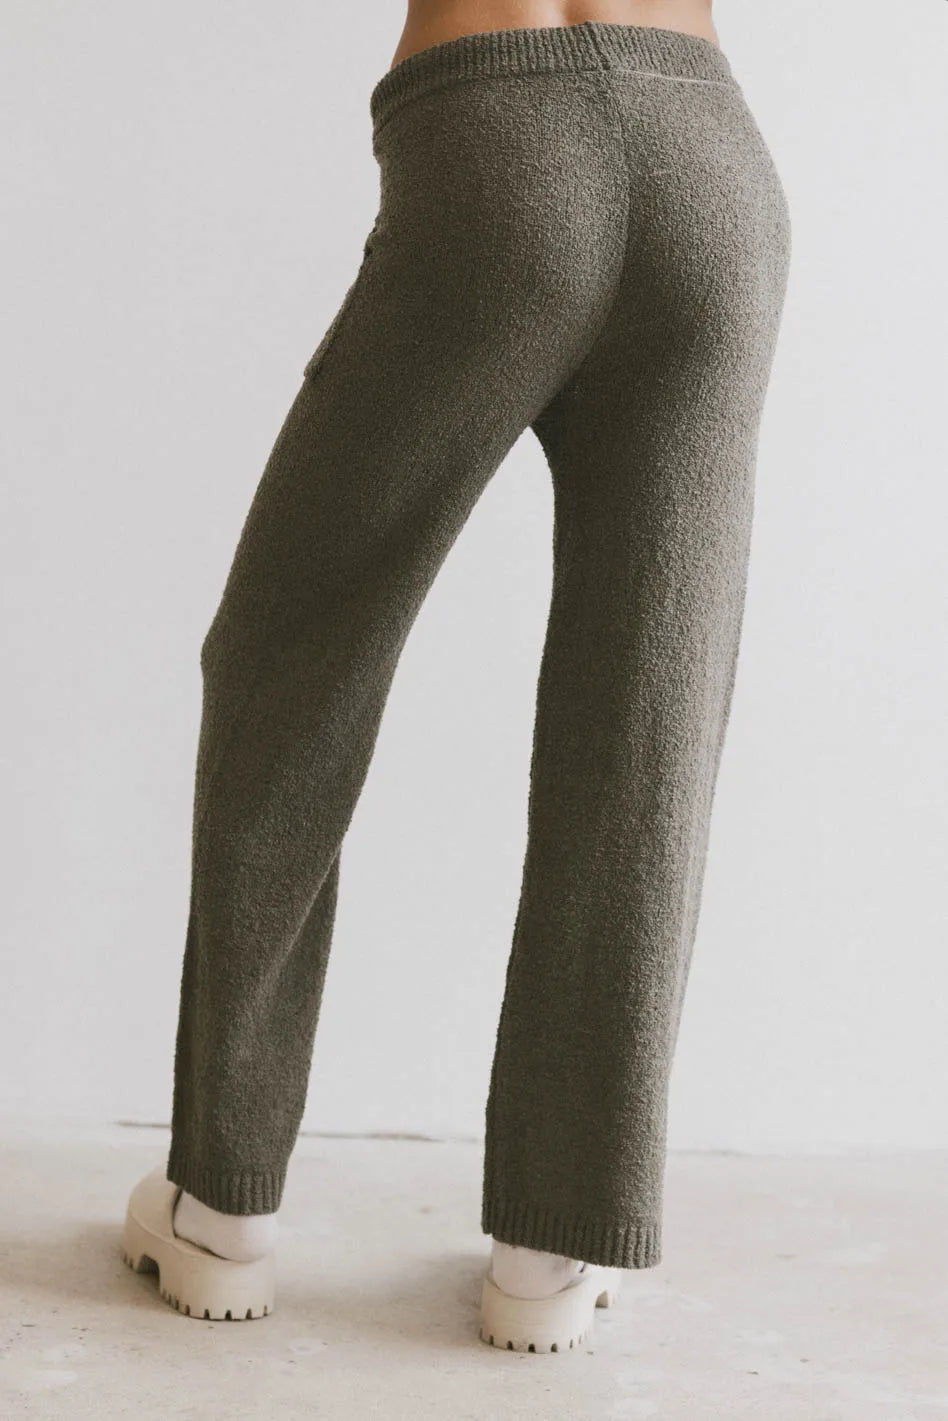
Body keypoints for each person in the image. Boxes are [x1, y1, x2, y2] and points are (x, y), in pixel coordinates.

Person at [121, 0, 790, 1353]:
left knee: (290, 653)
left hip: (494, 138)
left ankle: (221, 1205)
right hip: (711, 157)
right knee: (645, 710)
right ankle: (556, 1240)